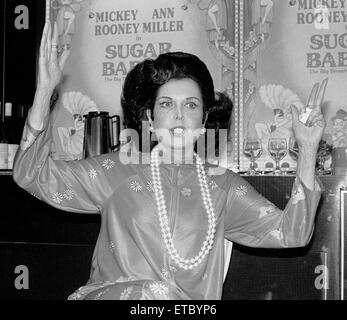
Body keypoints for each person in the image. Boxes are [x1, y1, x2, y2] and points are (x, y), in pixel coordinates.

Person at [13, 21, 324, 300]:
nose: (178, 115)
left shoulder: (223, 187)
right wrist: (44, 93)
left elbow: (291, 233)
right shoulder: (118, 170)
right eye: (166, 104)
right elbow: (31, 174)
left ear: (204, 119)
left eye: (190, 105)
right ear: (149, 115)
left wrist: (307, 150)